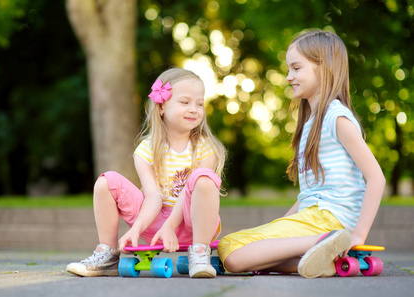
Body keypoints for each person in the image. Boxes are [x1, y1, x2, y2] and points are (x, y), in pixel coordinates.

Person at [217, 29, 386, 278]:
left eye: (296, 68)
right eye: (288, 69)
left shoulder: (336, 118)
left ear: (324, 68)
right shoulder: (312, 123)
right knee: (240, 254)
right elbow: (309, 194)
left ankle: (329, 241)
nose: (288, 77)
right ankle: (320, 260)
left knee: (229, 247)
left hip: (329, 222)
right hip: (316, 218)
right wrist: (278, 226)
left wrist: (358, 235)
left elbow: (376, 177)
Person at [66, 67, 226, 278]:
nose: (194, 109)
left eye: (199, 103)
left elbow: (193, 193)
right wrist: (137, 229)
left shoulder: (207, 149)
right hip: (157, 227)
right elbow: (153, 197)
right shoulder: (146, 150)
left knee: (203, 179)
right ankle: (108, 255)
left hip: (195, 225)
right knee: (107, 182)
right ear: (161, 106)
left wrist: (171, 225)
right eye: (185, 102)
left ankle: (199, 253)